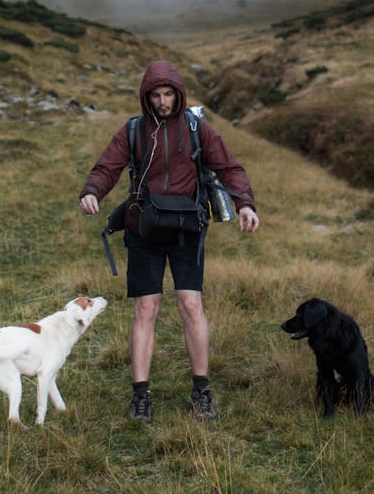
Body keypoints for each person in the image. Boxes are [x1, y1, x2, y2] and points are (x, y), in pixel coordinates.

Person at [79, 60, 260, 422]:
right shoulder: (133, 131)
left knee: (191, 304)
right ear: (147, 97)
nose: (163, 102)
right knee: (146, 309)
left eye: (168, 94)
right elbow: (107, 167)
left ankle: (201, 391)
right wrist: (93, 191)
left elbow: (229, 167)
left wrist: (245, 203)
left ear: (179, 94)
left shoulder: (197, 129)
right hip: (144, 230)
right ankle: (141, 396)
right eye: (156, 95)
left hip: (186, 231)